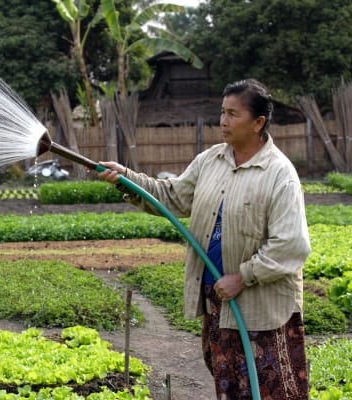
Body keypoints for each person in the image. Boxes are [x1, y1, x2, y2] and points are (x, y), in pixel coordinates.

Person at [98, 79, 310, 399]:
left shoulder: (279, 174)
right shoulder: (212, 160)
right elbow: (172, 197)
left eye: (233, 114)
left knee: (266, 387)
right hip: (219, 300)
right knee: (227, 382)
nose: (223, 121)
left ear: (258, 123)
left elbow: (292, 245)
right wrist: (127, 179)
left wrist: (243, 277)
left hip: (260, 307)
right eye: (222, 112)